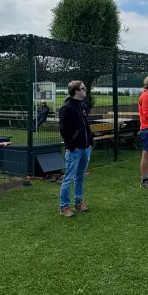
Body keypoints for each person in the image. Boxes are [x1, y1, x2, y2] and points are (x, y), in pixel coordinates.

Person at [57, 81, 93, 217]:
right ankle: (64, 207)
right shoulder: (67, 108)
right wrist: (71, 145)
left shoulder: (82, 106)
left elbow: (86, 126)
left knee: (80, 177)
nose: (86, 90)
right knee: (68, 178)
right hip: (74, 150)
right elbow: (63, 130)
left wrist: (90, 142)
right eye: (84, 88)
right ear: (76, 91)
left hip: (85, 148)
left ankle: (78, 202)